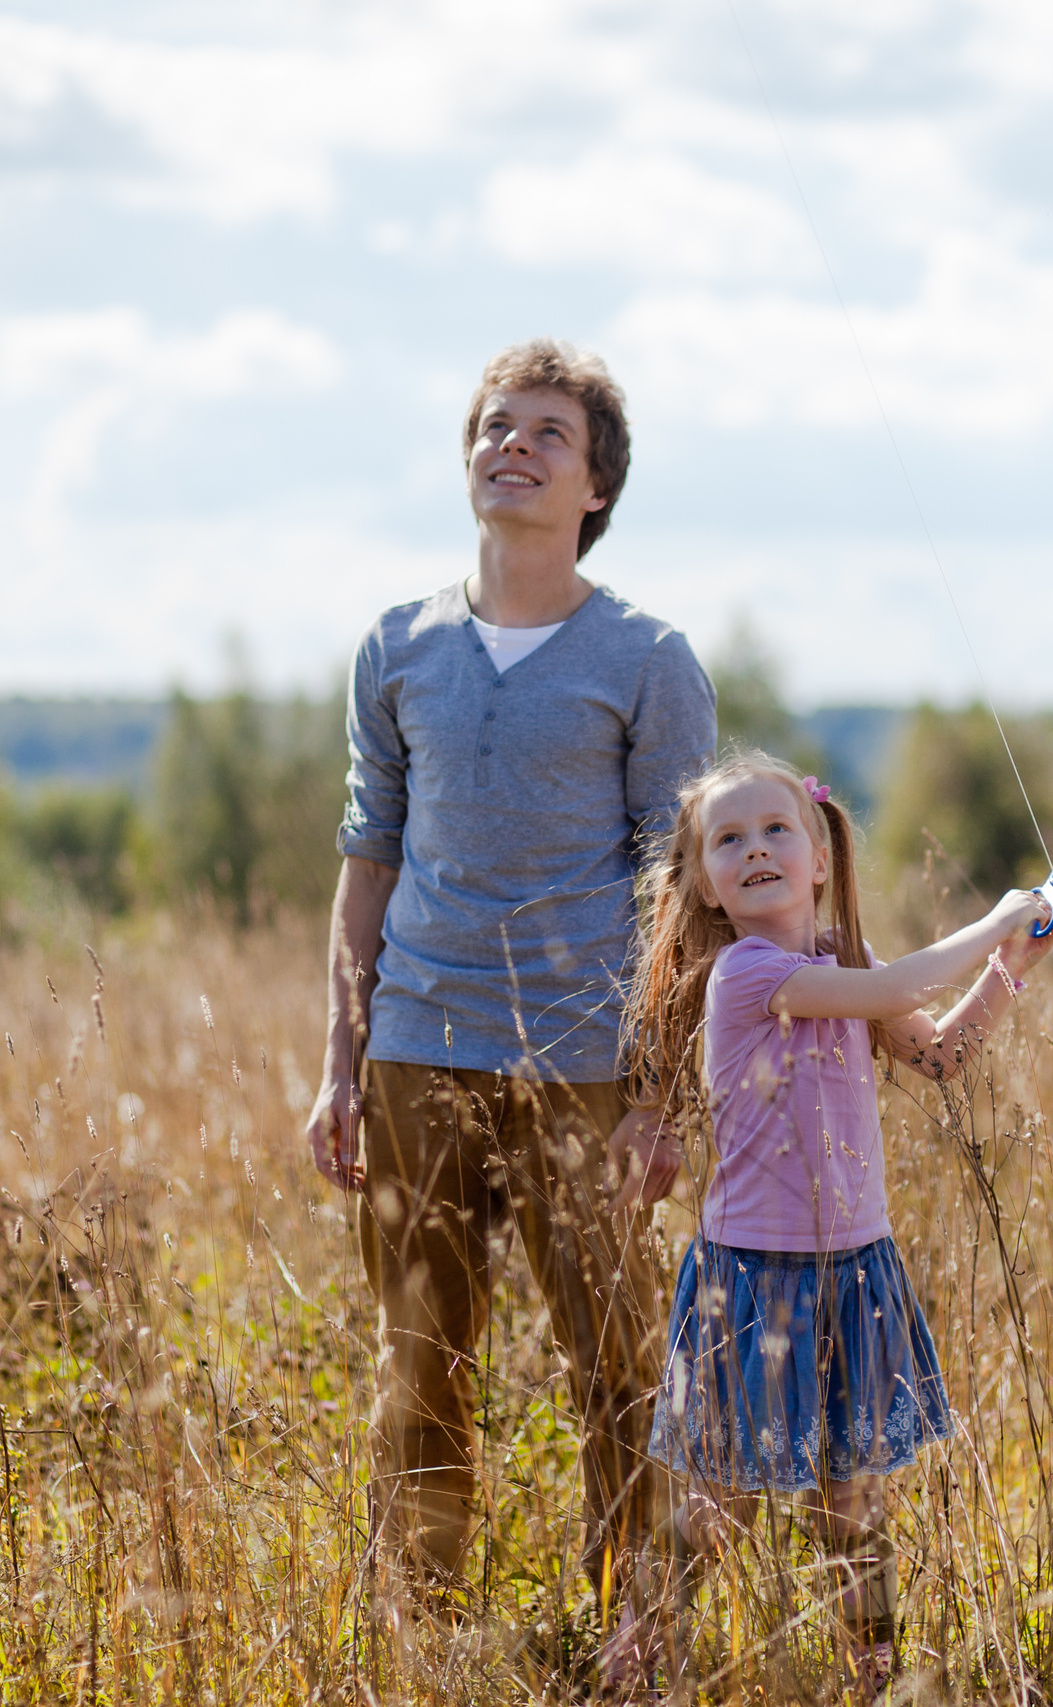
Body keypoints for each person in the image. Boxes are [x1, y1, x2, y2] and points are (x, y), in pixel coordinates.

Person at [302, 340, 716, 1635]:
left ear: (596, 484)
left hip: (585, 1061)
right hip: (419, 1050)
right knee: (421, 1363)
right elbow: (367, 856)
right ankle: (427, 1632)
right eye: (493, 425)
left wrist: (661, 1096)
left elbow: (681, 895)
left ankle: (635, 1630)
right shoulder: (397, 643)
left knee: (616, 1366)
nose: (512, 445)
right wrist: (338, 1062)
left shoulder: (648, 658)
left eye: (547, 432)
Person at [615, 748, 1053, 1696]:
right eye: (728, 839)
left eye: (777, 828)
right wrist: (992, 919)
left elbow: (937, 1054)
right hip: (753, 1278)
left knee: (854, 1498)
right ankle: (637, 1654)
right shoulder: (744, 972)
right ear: (703, 882)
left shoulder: (839, 964)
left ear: (820, 856)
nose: (756, 848)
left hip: (856, 1268)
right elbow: (900, 989)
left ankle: (874, 1674)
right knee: (717, 1502)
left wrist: (1008, 970)